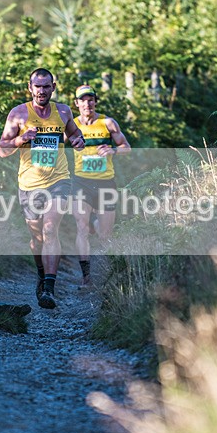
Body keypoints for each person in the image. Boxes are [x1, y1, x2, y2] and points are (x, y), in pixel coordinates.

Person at [0, 68, 85, 309]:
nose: (42, 90)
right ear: (30, 88)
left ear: (53, 88)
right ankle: (41, 272)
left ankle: (49, 288)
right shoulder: (17, 114)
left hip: (59, 180)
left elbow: (76, 137)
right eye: (38, 86)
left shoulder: (64, 111)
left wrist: (78, 142)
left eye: (46, 86)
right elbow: (2, 150)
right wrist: (21, 138)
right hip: (29, 184)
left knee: (50, 229)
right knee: (36, 238)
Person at [70, 84, 131, 286]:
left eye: (90, 99)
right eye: (83, 100)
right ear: (76, 103)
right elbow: (57, 147)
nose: (87, 103)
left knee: (106, 235)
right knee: (81, 228)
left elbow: (126, 148)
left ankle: (107, 274)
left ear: (95, 101)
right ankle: (86, 276)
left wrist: (113, 150)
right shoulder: (71, 125)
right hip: (81, 182)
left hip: (105, 183)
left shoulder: (108, 123)